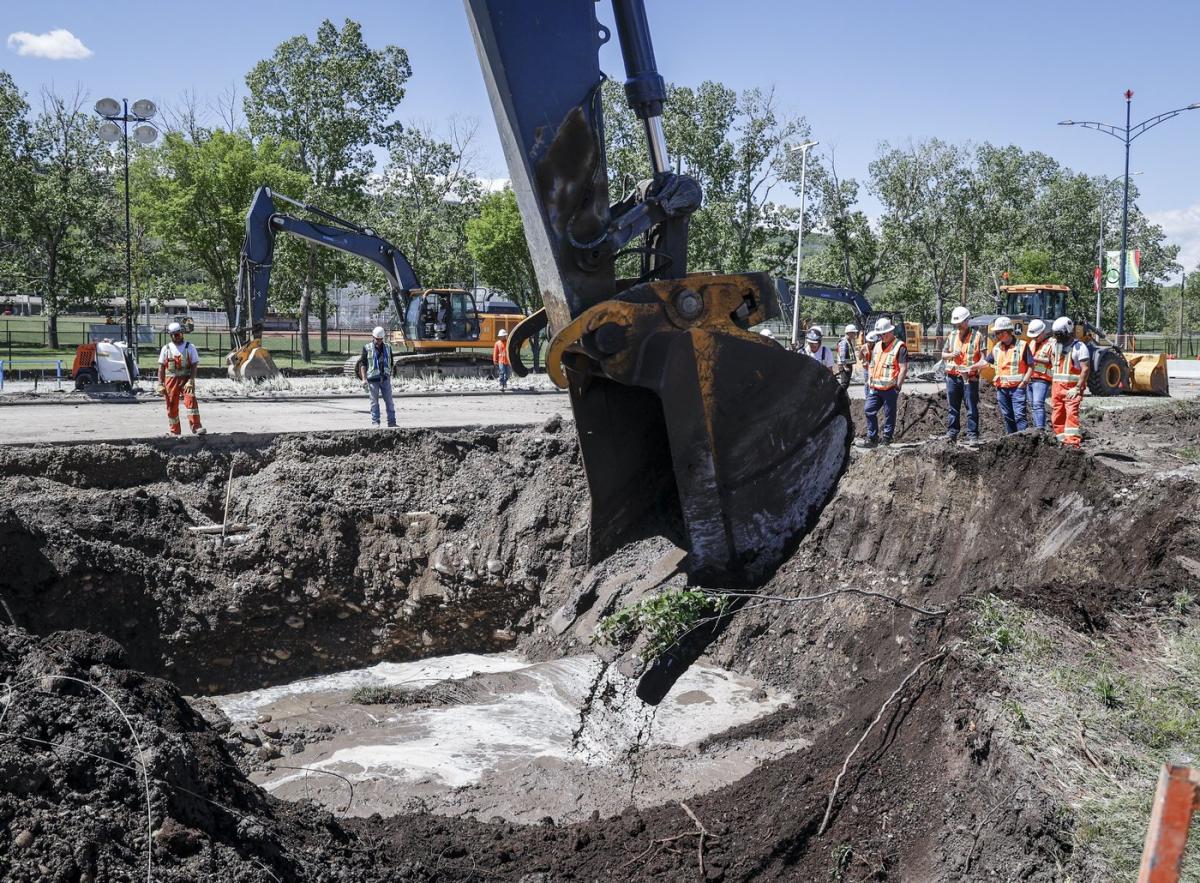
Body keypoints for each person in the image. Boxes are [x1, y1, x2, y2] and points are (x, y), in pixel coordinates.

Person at [941, 305, 987, 445]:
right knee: (953, 407)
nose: (958, 327)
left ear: (967, 321)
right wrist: (950, 354)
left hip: (969, 378)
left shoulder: (978, 337)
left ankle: (972, 435)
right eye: (956, 324)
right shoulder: (952, 335)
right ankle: (952, 433)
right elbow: (943, 354)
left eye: (960, 323)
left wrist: (972, 368)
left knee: (971, 407)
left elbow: (984, 360)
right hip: (952, 377)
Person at [862, 317, 907, 447]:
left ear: (890, 332)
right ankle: (872, 437)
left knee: (889, 414)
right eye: (879, 334)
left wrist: (898, 386)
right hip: (875, 388)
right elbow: (872, 364)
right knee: (868, 410)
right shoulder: (876, 346)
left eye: (883, 334)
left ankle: (887, 437)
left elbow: (903, 368)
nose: (881, 337)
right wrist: (870, 378)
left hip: (890, 388)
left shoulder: (900, 347)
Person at [985, 316, 1033, 434]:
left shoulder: (1022, 345)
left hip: (1017, 388)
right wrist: (973, 367)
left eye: (998, 333)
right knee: (1007, 416)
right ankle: (1011, 439)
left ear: (1006, 332)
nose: (996, 335)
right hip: (1002, 388)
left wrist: (1024, 382)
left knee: (1019, 416)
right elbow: (986, 361)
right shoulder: (997, 348)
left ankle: (1024, 439)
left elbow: (1031, 365)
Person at [157, 321, 205, 437]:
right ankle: (175, 431)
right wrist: (160, 383)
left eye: (178, 334)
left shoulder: (190, 347)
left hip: (186, 379)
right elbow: (161, 367)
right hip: (171, 380)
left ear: (182, 333)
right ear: (171, 335)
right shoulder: (166, 348)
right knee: (171, 405)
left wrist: (191, 380)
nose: (176, 337)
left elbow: (194, 365)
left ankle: (196, 427)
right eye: (174, 335)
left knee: (191, 402)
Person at [1050, 317, 1090, 447]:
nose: (1057, 338)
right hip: (1057, 390)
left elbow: (1085, 369)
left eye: (1059, 335)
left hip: (1071, 390)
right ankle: (1061, 442)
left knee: (1071, 416)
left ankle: (1072, 444)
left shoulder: (1079, 347)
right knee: (1056, 417)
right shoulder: (1055, 346)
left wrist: (1078, 388)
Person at [359, 326, 397, 427]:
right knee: (374, 402)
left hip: (385, 378)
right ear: (373, 337)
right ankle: (375, 421)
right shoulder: (367, 348)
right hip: (372, 380)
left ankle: (392, 422)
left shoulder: (388, 348)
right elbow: (363, 364)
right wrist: (364, 379)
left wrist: (389, 376)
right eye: (377, 339)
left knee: (389, 401)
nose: (379, 341)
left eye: (380, 339)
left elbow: (391, 363)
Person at [1026, 319, 1054, 430]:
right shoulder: (1032, 342)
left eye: (1036, 336)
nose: (1034, 338)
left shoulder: (1051, 343)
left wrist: (1034, 359)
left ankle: (1040, 428)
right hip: (1031, 377)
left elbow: (1052, 361)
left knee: (1038, 404)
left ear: (1042, 332)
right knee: (1033, 405)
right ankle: (1039, 427)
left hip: (1042, 378)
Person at [834, 323, 858, 390]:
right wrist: (845, 366)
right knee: (844, 384)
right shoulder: (844, 342)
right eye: (854, 333)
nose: (855, 335)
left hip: (847, 365)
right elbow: (842, 355)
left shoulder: (848, 341)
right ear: (849, 333)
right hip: (845, 366)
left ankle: (840, 396)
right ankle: (838, 397)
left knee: (845, 384)